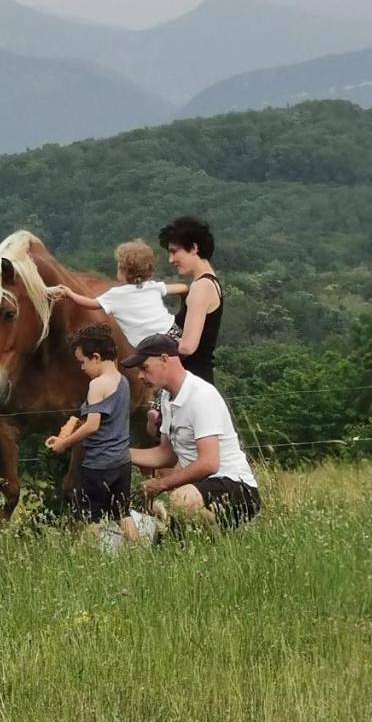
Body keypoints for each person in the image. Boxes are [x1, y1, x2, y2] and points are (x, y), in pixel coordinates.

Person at [122, 333, 260, 528]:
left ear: (164, 360)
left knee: (182, 500)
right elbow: (166, 455)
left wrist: (162, 485)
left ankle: (223, 541)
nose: (140, 376)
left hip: (235, 486)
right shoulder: (166, 398)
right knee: (167, 548)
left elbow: (209, 463)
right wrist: (117, 454)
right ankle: (212, 541)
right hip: (198, 491)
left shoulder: (201, 396)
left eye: (144, 368)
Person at [46, 323, 140, 542]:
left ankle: (92, 559)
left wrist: (64, 443)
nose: (82, 368)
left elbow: (92, 425)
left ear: (96, 357)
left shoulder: (97, 385)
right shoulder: (123, 381)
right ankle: (139, 553)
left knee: (89, 518)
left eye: (83, 362)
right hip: (122, 462)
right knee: (123, 513)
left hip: (98, 465)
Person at [50, 240, 188, 348]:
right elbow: (178, 288)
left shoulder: (116, 295)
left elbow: (92, 304)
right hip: (173, 332)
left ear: (122, 270)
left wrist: (70, 294)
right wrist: (189, 288)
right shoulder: (151, 287)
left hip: (149, 344)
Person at [159, 216, 223, 384]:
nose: (171, 260)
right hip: (198, 380)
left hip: (193, 382)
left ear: (194, 248)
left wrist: (155, 348)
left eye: (174, 251)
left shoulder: (201, 287)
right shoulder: (209, 283)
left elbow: (188, 346)